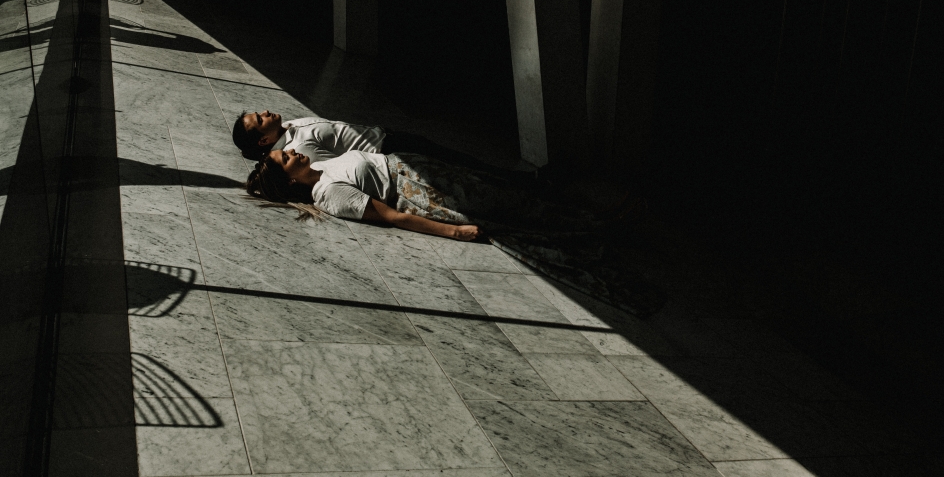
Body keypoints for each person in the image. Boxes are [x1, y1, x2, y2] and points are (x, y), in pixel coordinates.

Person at [245, 148, 654, 316]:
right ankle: (600, 228)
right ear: (291, 181)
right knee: (513, 210)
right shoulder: (328, 193)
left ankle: (598, 223)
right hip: (427, 193)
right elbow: (391, 216)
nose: (293, 151)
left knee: (511, 195)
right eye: (287, 158)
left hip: (425, 170)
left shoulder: (320, 167)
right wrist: (451, 233)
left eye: (286, 150)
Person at [232, 109, 536, 183]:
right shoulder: (301, 148)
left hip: (390, 138)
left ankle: (518, 180)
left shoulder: (294, 125)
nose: (265, 113)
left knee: (458, 161)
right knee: (461, 169)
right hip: (391, 154)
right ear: (263, 140)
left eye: (258, 112)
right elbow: (339, 166)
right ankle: (526, 183)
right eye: (259, 120)